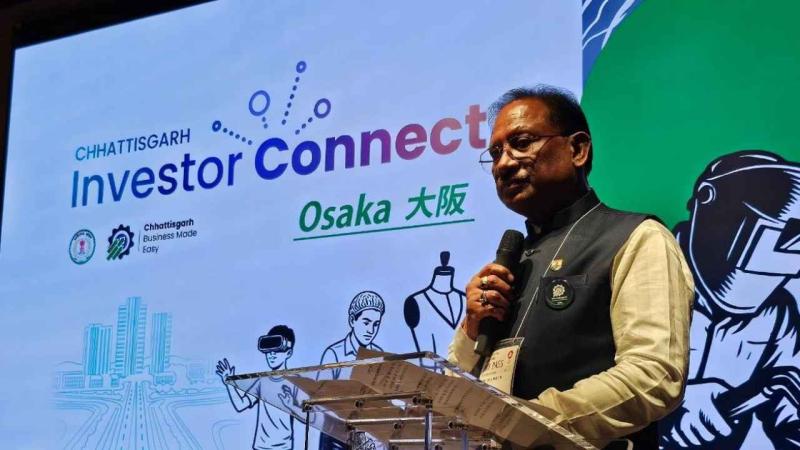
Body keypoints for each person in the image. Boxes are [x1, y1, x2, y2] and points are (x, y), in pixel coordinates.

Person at [447, 85, 694, 449]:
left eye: (522, 143)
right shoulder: (511, 264)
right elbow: (454, 396)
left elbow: (653, 376)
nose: (504, 163)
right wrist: (472, 328)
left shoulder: (637, 237)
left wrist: (529, 424)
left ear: (577, 149)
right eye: (496, 153)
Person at [217, 325, 298, 450]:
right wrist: (229, 382)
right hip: (260, 447)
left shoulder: (296, 382)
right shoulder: (262, 382)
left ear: (288, 352)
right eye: (268, 349)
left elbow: (307, 417)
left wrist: (291, 406)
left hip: (284, 447)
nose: (271, 354)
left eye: (277, 349)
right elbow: (240, 405)